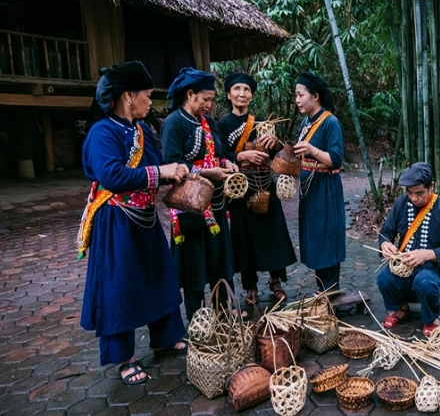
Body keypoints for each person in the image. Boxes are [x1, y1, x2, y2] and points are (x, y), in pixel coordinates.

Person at [79, 61, 189, 385]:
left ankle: (166, 338)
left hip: (145, 218)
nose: (149, 101)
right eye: (146, 95)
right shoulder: (102, 132)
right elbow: (111, 175)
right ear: (128, 95)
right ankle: (124, 357)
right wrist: (161, 172)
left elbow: (157, 168)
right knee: (120, 286)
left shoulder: (142, 130)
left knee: (159, 275)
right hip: (116, 222)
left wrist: (179, 173)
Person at [161, 67, 240, 321]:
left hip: (215, 202)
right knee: (194, 261)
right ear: (190, 94)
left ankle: (223, 313)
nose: (210, 104)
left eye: (212, 99)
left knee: (218, 258)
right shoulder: (174, 123)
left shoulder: (208, 123)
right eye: (205, 99)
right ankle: (198, 320)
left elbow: (221, 151)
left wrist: (226, 163)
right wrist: (209, 172)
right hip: (191, 206)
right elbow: (173, 164)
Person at [217, 72, 297, 305]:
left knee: (272, 234)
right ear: (229, 94)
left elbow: (277, 155)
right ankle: (250, 287)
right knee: (244, 238)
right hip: (240, 188)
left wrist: (277, 143)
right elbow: (219, 155)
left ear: (252, 96)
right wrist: (240, 154)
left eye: (246, 90)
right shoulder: (222, 125)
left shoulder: (263, 122)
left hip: (265, 183)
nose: (242, 94)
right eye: (237, 89)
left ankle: (276, 281)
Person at [377, 163, 440, 337]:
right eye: (410, 193)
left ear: (431, 186)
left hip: (432, 271)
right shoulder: (401, 204)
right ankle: (400, 309)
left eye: (419, 193)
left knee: (425, 282)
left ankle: (431, 319)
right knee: (384, 278)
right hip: (403, 268)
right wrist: (385, 245)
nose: (413, 198)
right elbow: (386, 233)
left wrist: (428, 254)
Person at [293, 72, 346, 291]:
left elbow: (335, 159)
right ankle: (321, 290)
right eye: (296, 95)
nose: (297, 100)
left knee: (327, 237)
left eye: (300, 94)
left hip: (326, 188)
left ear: (315, 96)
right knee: (315, 237)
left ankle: (330, 292)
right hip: (310, 190)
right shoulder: (306, 122)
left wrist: (312, 150)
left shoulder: (330, 122)